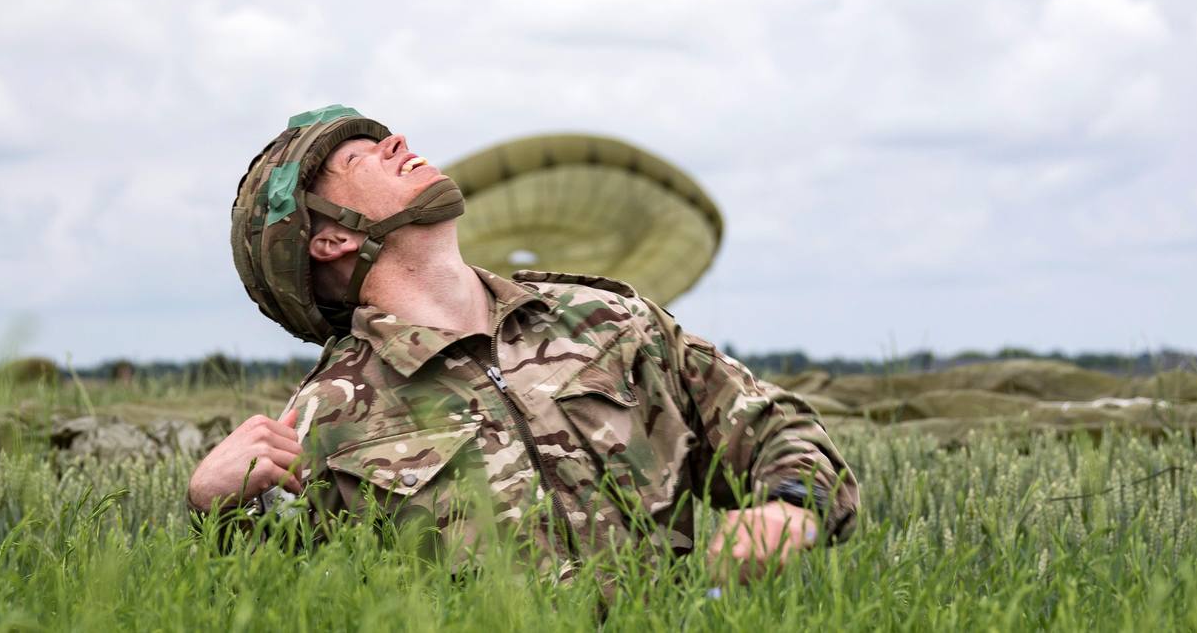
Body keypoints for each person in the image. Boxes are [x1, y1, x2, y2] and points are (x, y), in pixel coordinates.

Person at [189, 105, 858, 579]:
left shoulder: (612, 320)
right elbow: (280, 595)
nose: (395, 142)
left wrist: (790, 508)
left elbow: (780, 430)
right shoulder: (325, 418)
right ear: (332, 238)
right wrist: (213, 511)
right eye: (360, 158)